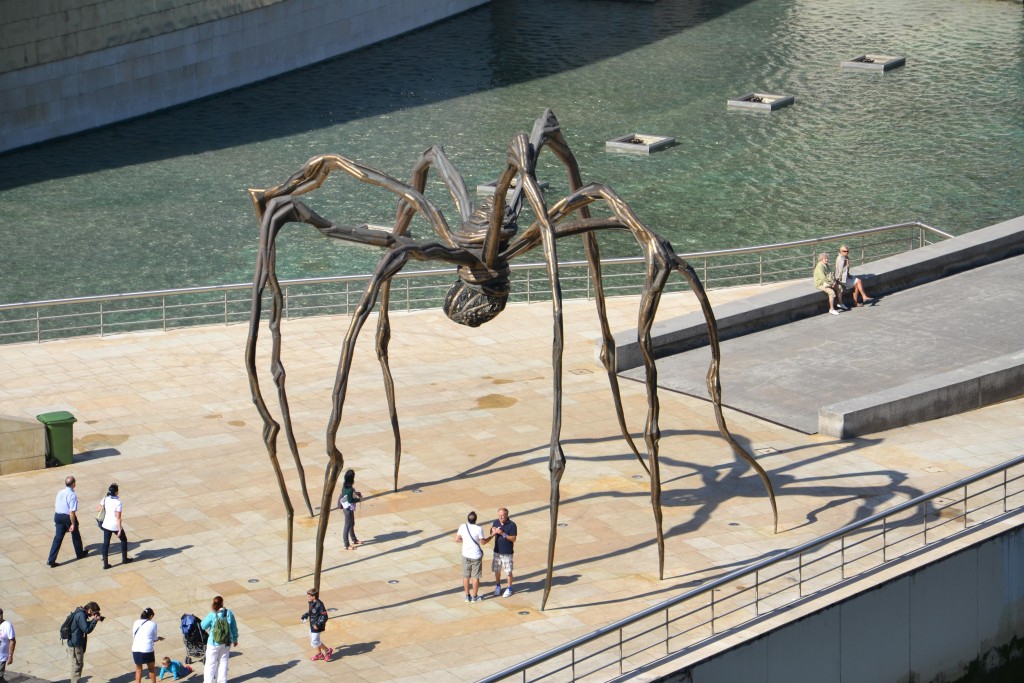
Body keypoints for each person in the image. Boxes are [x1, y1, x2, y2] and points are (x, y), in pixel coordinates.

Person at [47, 475, 88, 567]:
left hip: (57, 516)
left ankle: (51, 559)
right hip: (67, 517)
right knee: (75, 534)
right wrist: (73, 523)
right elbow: (72, 512)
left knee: (58, 538)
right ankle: (79, 553)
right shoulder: (72, 495)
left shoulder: (60, 492)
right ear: (73, 484)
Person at [456, 511, 493, 602]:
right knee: (475, 577)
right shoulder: (478, 529)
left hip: (465, 554)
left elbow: (457, 539)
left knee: (466, 576)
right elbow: (483, 542)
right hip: (476, 556)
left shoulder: (462, 526)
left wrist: (465, 541)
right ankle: (474, 597)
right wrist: (492, 535)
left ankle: (467, 596)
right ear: (476, 520)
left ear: (468, 519)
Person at [200, 596, 238, 683]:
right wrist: (235, 639)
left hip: (213, 643)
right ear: (222, 603)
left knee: (210, 663)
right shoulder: (229, 613)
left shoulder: (212, 614)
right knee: (223, 662)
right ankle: (222, 681)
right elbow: (233, 627)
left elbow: (203, 626)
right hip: (226, 642)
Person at [98, 483, 133, 568]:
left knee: (106, 543)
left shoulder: (105, 499)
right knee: (124, 540)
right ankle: (124, 559)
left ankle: (105, 564)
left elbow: (98, 509)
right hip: (114, 525)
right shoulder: (118, 502)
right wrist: (119, 529)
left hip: (106, 524)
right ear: (116, 492)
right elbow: (118, 517)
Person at [68, 601, 103, 683]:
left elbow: (84, 626)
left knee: (78, 665)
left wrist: (93, 620)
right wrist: (95, 621)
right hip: (75, 645)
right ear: (90, 610)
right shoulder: (82, 615)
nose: (92, 615)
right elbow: (86, 630)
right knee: (77, 666)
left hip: (75, 643)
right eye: (94, 612)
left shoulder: (81, 612)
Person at [490, 507, 518, 597]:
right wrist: (493, 531)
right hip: (497, 551)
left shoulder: (512, 525)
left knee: (508, 571)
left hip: (507, 552)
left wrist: (502, 534)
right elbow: (491, 532)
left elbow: (513, 538)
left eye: (503, 516)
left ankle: (509, 588)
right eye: (499, 516)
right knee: (496, 570)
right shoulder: (496, 522)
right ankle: (498, 585)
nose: (501, 517)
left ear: (507, 515)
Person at [300, 588, 333, 662]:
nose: (307, 598)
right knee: (313, 641)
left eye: (309, 596)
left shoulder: (319, 604)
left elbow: (325, 616)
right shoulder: (311, 602)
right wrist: (305, 615)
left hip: (317, 626)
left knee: (315, 641)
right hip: (312, 624)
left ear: (314, 596)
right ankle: (319, 654)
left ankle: (328, 650)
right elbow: (311, 612)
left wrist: (318, 624)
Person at [132, 607, 162, 683]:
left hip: (136, 648)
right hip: (147, 649)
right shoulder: (153, 624)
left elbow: (134, 636)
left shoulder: (136, 622)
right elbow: (154, 639)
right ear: (151, 616)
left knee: (138, 670)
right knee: (151, 670)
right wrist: (159, 638)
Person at [338, 469, 363, 550]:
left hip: (346, 507)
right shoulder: (350, 489)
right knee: (347, 525)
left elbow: (347, 495)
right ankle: (346, 544)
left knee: (352, 523)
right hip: (348, 509)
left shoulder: (345, 485)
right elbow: (350, 500)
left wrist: (356, 493)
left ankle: (354, 539)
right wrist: (359, 499)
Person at [0, 607, 15, 683]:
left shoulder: (7, 625)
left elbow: (12, 641)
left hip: (1, 658)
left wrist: (10, 656)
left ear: (1, 616)